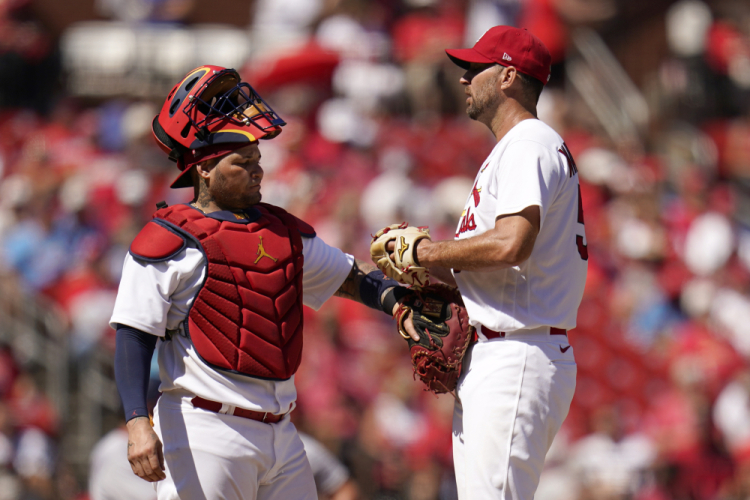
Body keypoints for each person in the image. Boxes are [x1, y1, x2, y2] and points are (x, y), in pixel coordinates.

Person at [109, 65, 407, 500]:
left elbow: (351, 278)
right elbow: (133, 335)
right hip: (203, 429)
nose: (257, 170)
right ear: (206, 169)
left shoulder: (282, 231)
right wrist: (138, 423)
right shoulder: (170, 238)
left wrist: (400, 301)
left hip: (282, 432)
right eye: (242, 162)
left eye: (258, 160)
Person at [384, 26, 588, 499]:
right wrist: (432, 277)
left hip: (516, 351)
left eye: (475, 69)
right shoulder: (519, 146)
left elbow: (512, 244)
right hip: (503, 347)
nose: (463, 79)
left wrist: (427, 252)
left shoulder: (528, 143)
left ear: (508, 78)